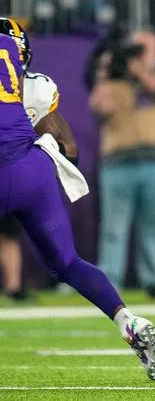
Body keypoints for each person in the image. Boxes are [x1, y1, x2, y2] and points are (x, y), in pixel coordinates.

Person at [0, 32, 155, 379]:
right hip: (33, 173)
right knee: (68, 263)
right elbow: (69, 147)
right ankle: (129, 321)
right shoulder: (37, 84)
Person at [89, 29, 155, 298]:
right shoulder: (113, 81)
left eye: (146, 48)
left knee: (152, 226)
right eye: (136, 48)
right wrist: (105, 74)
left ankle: (154, 280)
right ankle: (109, 282)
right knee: (113, 228)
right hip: (117, 162)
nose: (140, 53)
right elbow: (100, 109)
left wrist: (140, 72)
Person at [0, 17, 78, 302]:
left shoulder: (39, 89)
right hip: (22, 173)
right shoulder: (38, 87)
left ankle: (15, 286)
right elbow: (69, 146)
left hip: (15, 172)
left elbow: (67, 144)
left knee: (13, 234)